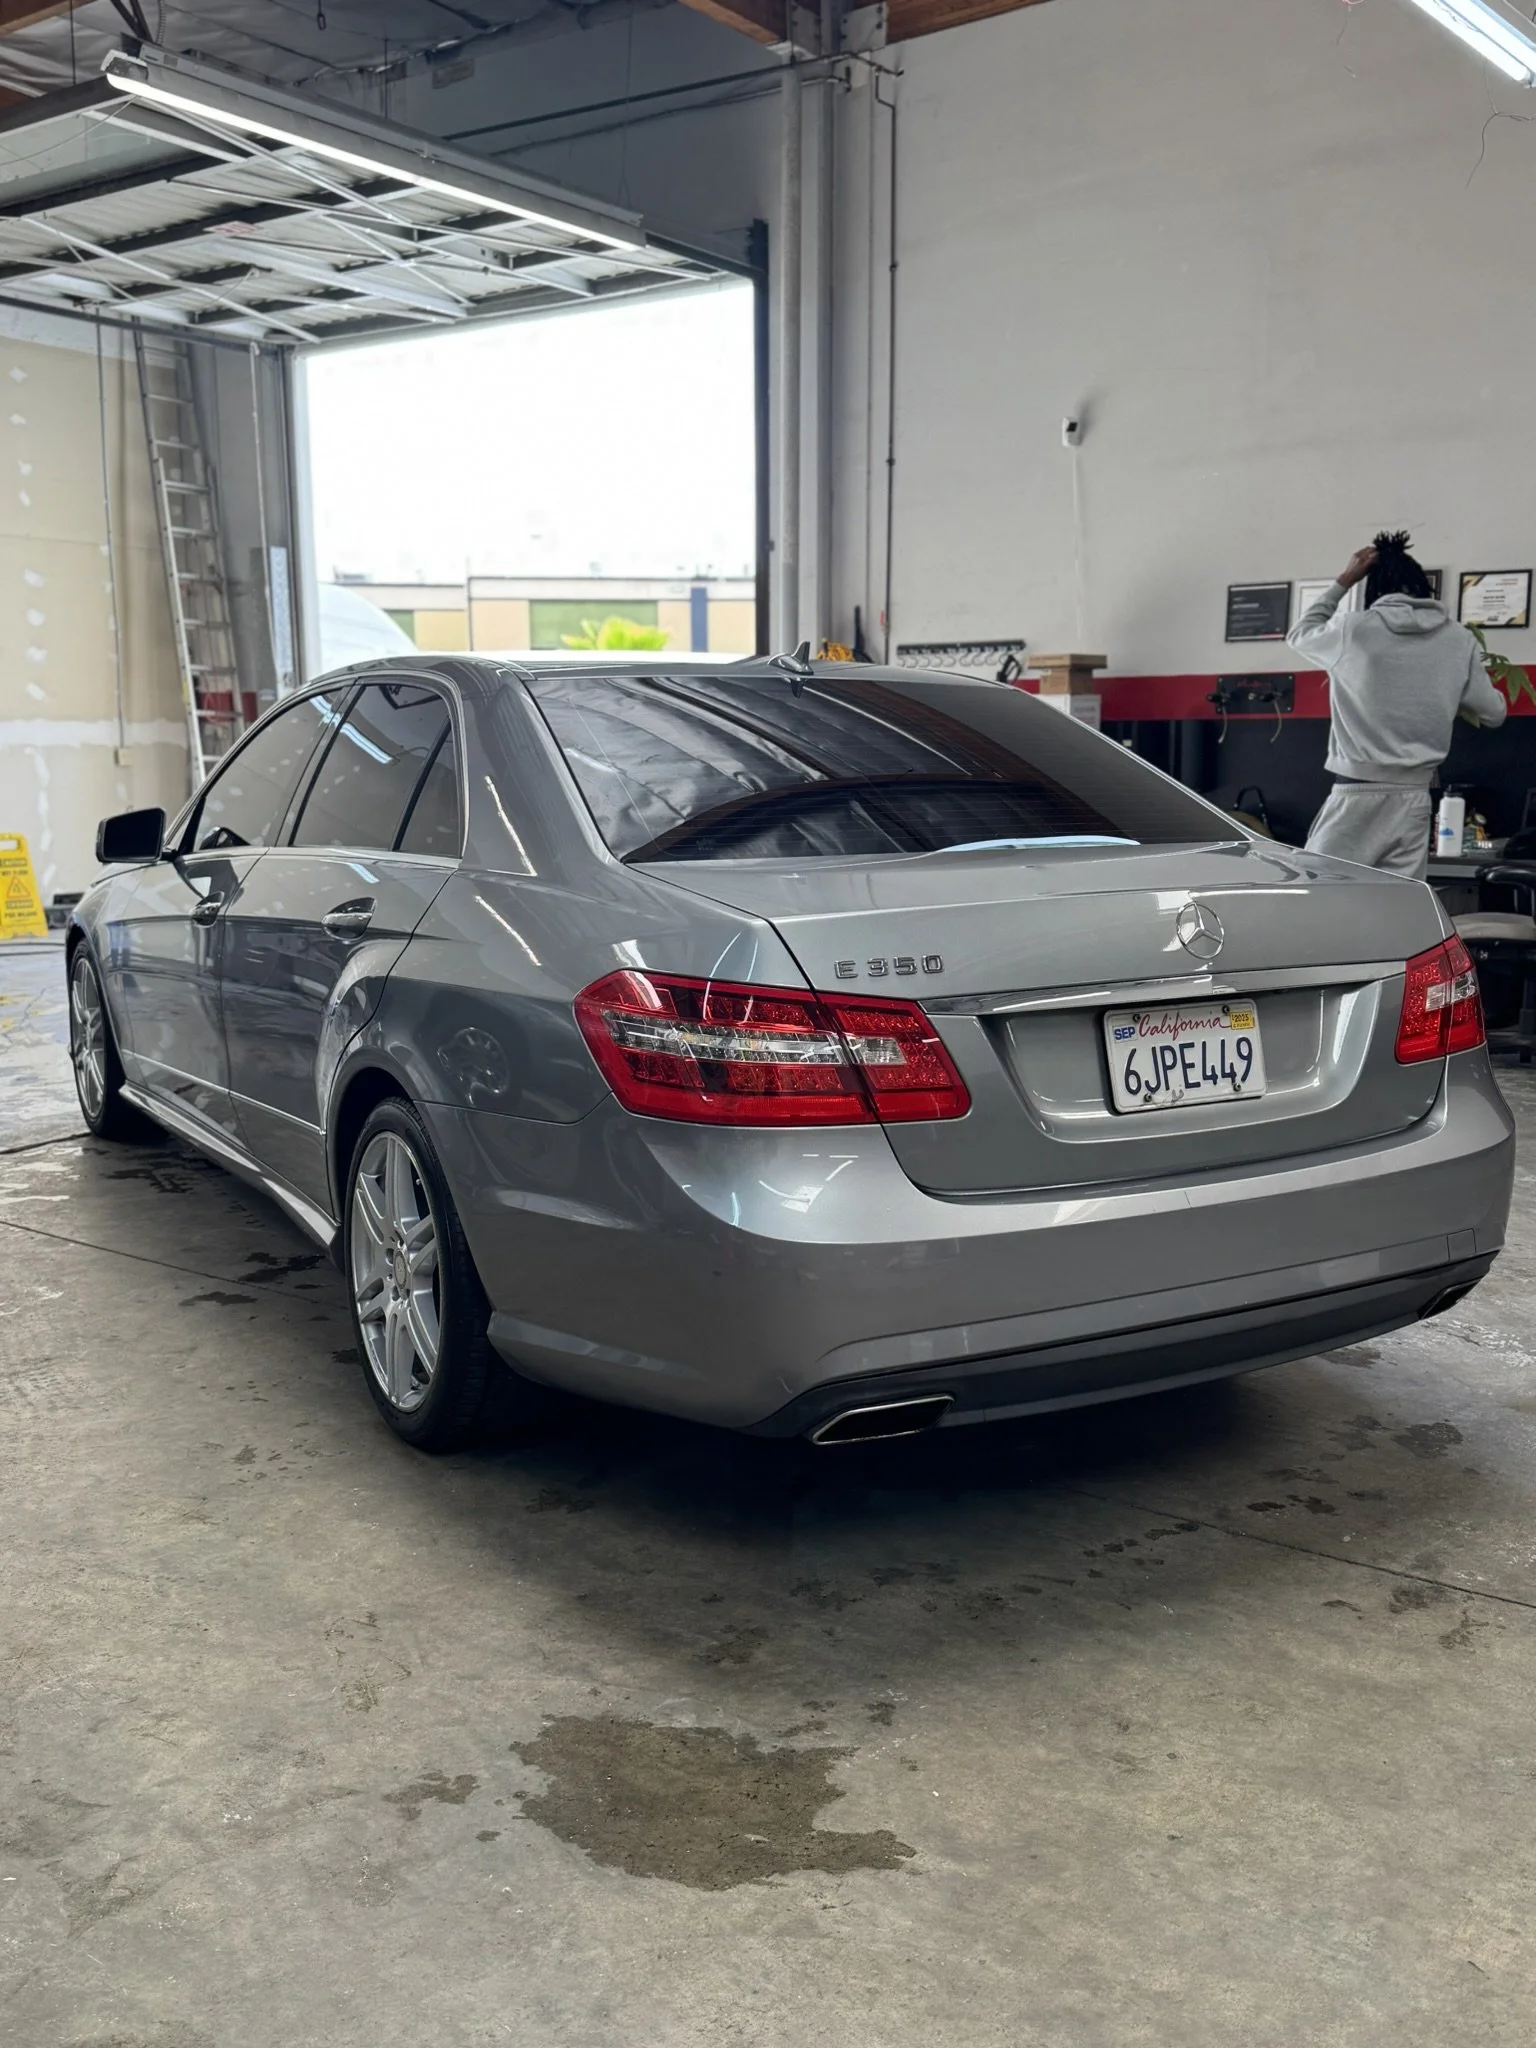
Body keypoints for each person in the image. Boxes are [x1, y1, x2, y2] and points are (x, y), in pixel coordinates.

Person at [1288, 530, 1507, 880]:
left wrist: (1344, 580)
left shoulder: (1353, 629)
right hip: (1416, 800)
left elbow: (1300, 633)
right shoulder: (1458, 638)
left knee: (1320, 898)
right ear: (1424, 588)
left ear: (1372, 590)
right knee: (1398, 909)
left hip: (1355, 795)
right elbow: (1493, 713)